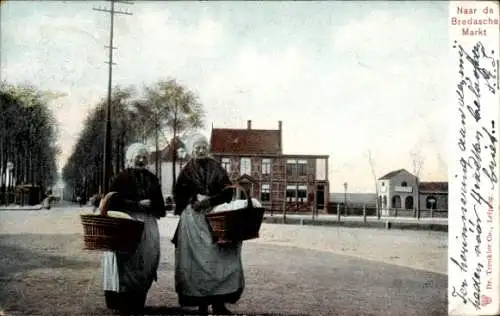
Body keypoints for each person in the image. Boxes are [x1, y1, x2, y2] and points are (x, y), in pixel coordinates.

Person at [172, 133, 244, 315]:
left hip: (214, 219)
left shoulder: (217, 168)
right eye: (197, 147)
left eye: (204, 147)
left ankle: (218, 303)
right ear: (191, 151)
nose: (201, 150)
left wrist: (211, 200)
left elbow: (228, 193)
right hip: (193, 221)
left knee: (219, 260)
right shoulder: (186, 170)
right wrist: (193, 199)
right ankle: (201, 303)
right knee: (196, 263)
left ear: (208, 149)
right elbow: (178, 194)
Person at [100, 142, 166, 314]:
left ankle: (139, 299)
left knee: (147, 261)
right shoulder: (120, 178)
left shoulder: (153, 179)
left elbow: (161, 208)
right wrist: (136, 204)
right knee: (125, 261)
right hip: (125, 223)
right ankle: (122, 302)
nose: (142, 160)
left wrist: (153, 206)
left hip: (148, 226)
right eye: (138, 157)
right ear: (130, 159)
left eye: (144, 157)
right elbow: (112, 200)